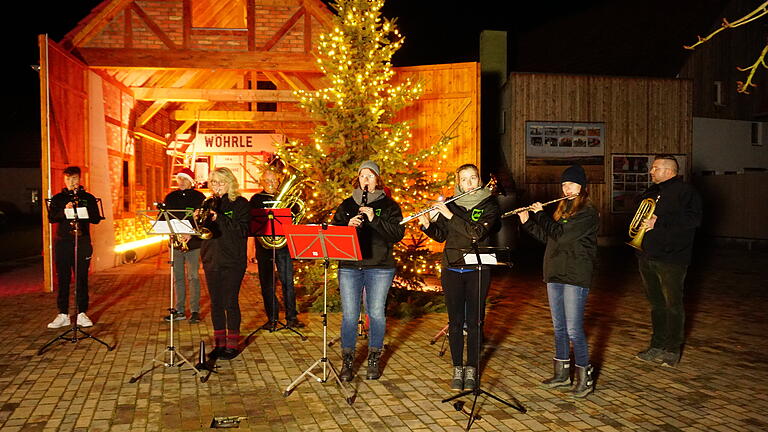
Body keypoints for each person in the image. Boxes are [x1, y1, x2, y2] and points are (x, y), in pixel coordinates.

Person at [518, 164, 599, 398]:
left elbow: (562, 235)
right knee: (559, 327)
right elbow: (550, 237)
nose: (566, 188)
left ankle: (585, 378)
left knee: (574, 329)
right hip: (554, 272)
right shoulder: (563, 209)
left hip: (575, 274)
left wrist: (540, 214)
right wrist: (527, 222)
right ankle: (562, 375)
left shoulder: (587, 213)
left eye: (571, 184)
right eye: (564, 184)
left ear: (582, 186)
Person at [418, 163, 499, 391]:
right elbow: (442, 235)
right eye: (464, 179)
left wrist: (448, 214)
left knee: (474, 322)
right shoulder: (452, 203)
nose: (469, 183)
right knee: (454, 323)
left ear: (479, 180)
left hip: (477, 269)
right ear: (458, 183)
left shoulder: (489, 204)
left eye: (473, 178)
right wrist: (427, 225)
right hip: (451, 268)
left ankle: (472, 368)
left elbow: (477, 233)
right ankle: (457, 368)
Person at [332, 160, 405, 381]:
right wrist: (346, 228)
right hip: (350, 266)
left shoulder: (390, 206)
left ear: (378, 180)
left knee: (375, 313)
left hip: (379, 267)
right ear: (358, 179)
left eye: (370, 176)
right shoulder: (346, 205)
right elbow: (333, 234)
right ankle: (347, 360)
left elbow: (396, 235)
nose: (366, 179)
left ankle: (374, 358)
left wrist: (374, 219)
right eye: (363, 176)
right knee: (350, 316)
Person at [634, 155, 702, 367]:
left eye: (655, 168)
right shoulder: (652, 192)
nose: (651, 171)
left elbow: (694, 219)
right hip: (648, 255)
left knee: (673, 305)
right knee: (656, 304)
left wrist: (660, 221)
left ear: (669, 171)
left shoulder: (686, 192)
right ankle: (657, 345)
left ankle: (672, 349)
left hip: (672, 257)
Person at [199, 167, 250, 360]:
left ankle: (232, 344)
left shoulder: (240, 204)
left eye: (221, 182)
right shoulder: (208, 203)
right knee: (216, 303)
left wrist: (219, 218)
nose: (217, 187)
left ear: (230, 183)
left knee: (230, 302)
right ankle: (219, 343)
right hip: (211, 258)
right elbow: (203, 232)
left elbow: (241, 230)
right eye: (213, 182)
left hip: (232, 259)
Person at [47, 166, 102, 329]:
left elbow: (96, 219)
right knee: (63, 278)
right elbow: (52, 218)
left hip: (82, 241)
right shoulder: (58, 198)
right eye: (68, 179)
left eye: (75, 179)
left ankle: (81, 313)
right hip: (63, 242)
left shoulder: (88, 198)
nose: (72, 182)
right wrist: (66, 210)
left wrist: (82, 210)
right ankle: (62, 313)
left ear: (80, 179)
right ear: (64, 180)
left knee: (81, 278)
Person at [249, 169, 304, 329]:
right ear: (261, 182)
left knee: (288, 282)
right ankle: (271, 319)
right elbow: (252, 223)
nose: (270, 184)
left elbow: (295, 219)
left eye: (273, 180)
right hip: (263, 245)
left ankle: (292, 318)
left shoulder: (289, 199)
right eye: (266, 181)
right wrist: (251, 248)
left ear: (279, 182)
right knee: (267, 283)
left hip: (283, 245)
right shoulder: (255, 199)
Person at [163, 168, 206, 323]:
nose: (181, 182)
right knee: (178, 278)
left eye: (184, 179)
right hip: (175, 243)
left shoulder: (199, 197)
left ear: (191, 181)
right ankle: (179, 310)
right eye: (179, 179)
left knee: (193, 276)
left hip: (193, 243)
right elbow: (164, 218)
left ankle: (195, 311)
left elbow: (202, 220)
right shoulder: (170, 197)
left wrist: (191, 233)